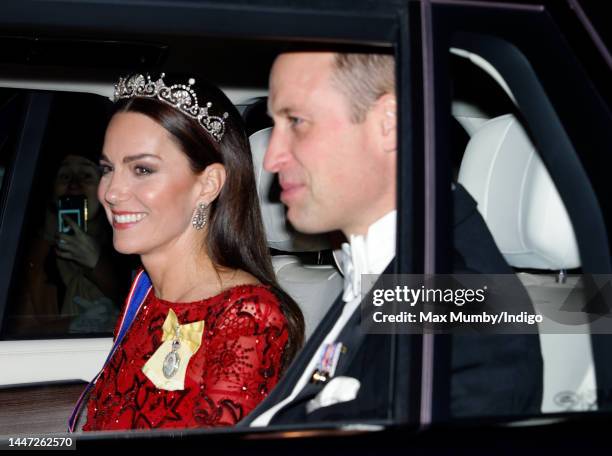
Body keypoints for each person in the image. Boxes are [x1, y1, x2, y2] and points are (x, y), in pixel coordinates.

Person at [240, 52, 543, 426]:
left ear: (389, 123)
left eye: (297, 122)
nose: (270, 159)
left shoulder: (471, 316)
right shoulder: (380, 271)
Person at [75, 74, 304, 431]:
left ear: (208, 184)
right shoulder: (147, 293)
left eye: (142, 169)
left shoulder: (247, 316)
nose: (112, 191)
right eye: (108, 169)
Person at [11, 98, 127, 335]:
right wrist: (72, 326)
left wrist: (97, 264)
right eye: (64, 177)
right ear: (52, 191)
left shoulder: (128, 244)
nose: (73, 185)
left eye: (86, 176)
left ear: (105, 188)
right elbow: (16, 331)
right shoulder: (29, 252)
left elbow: (145, 306)